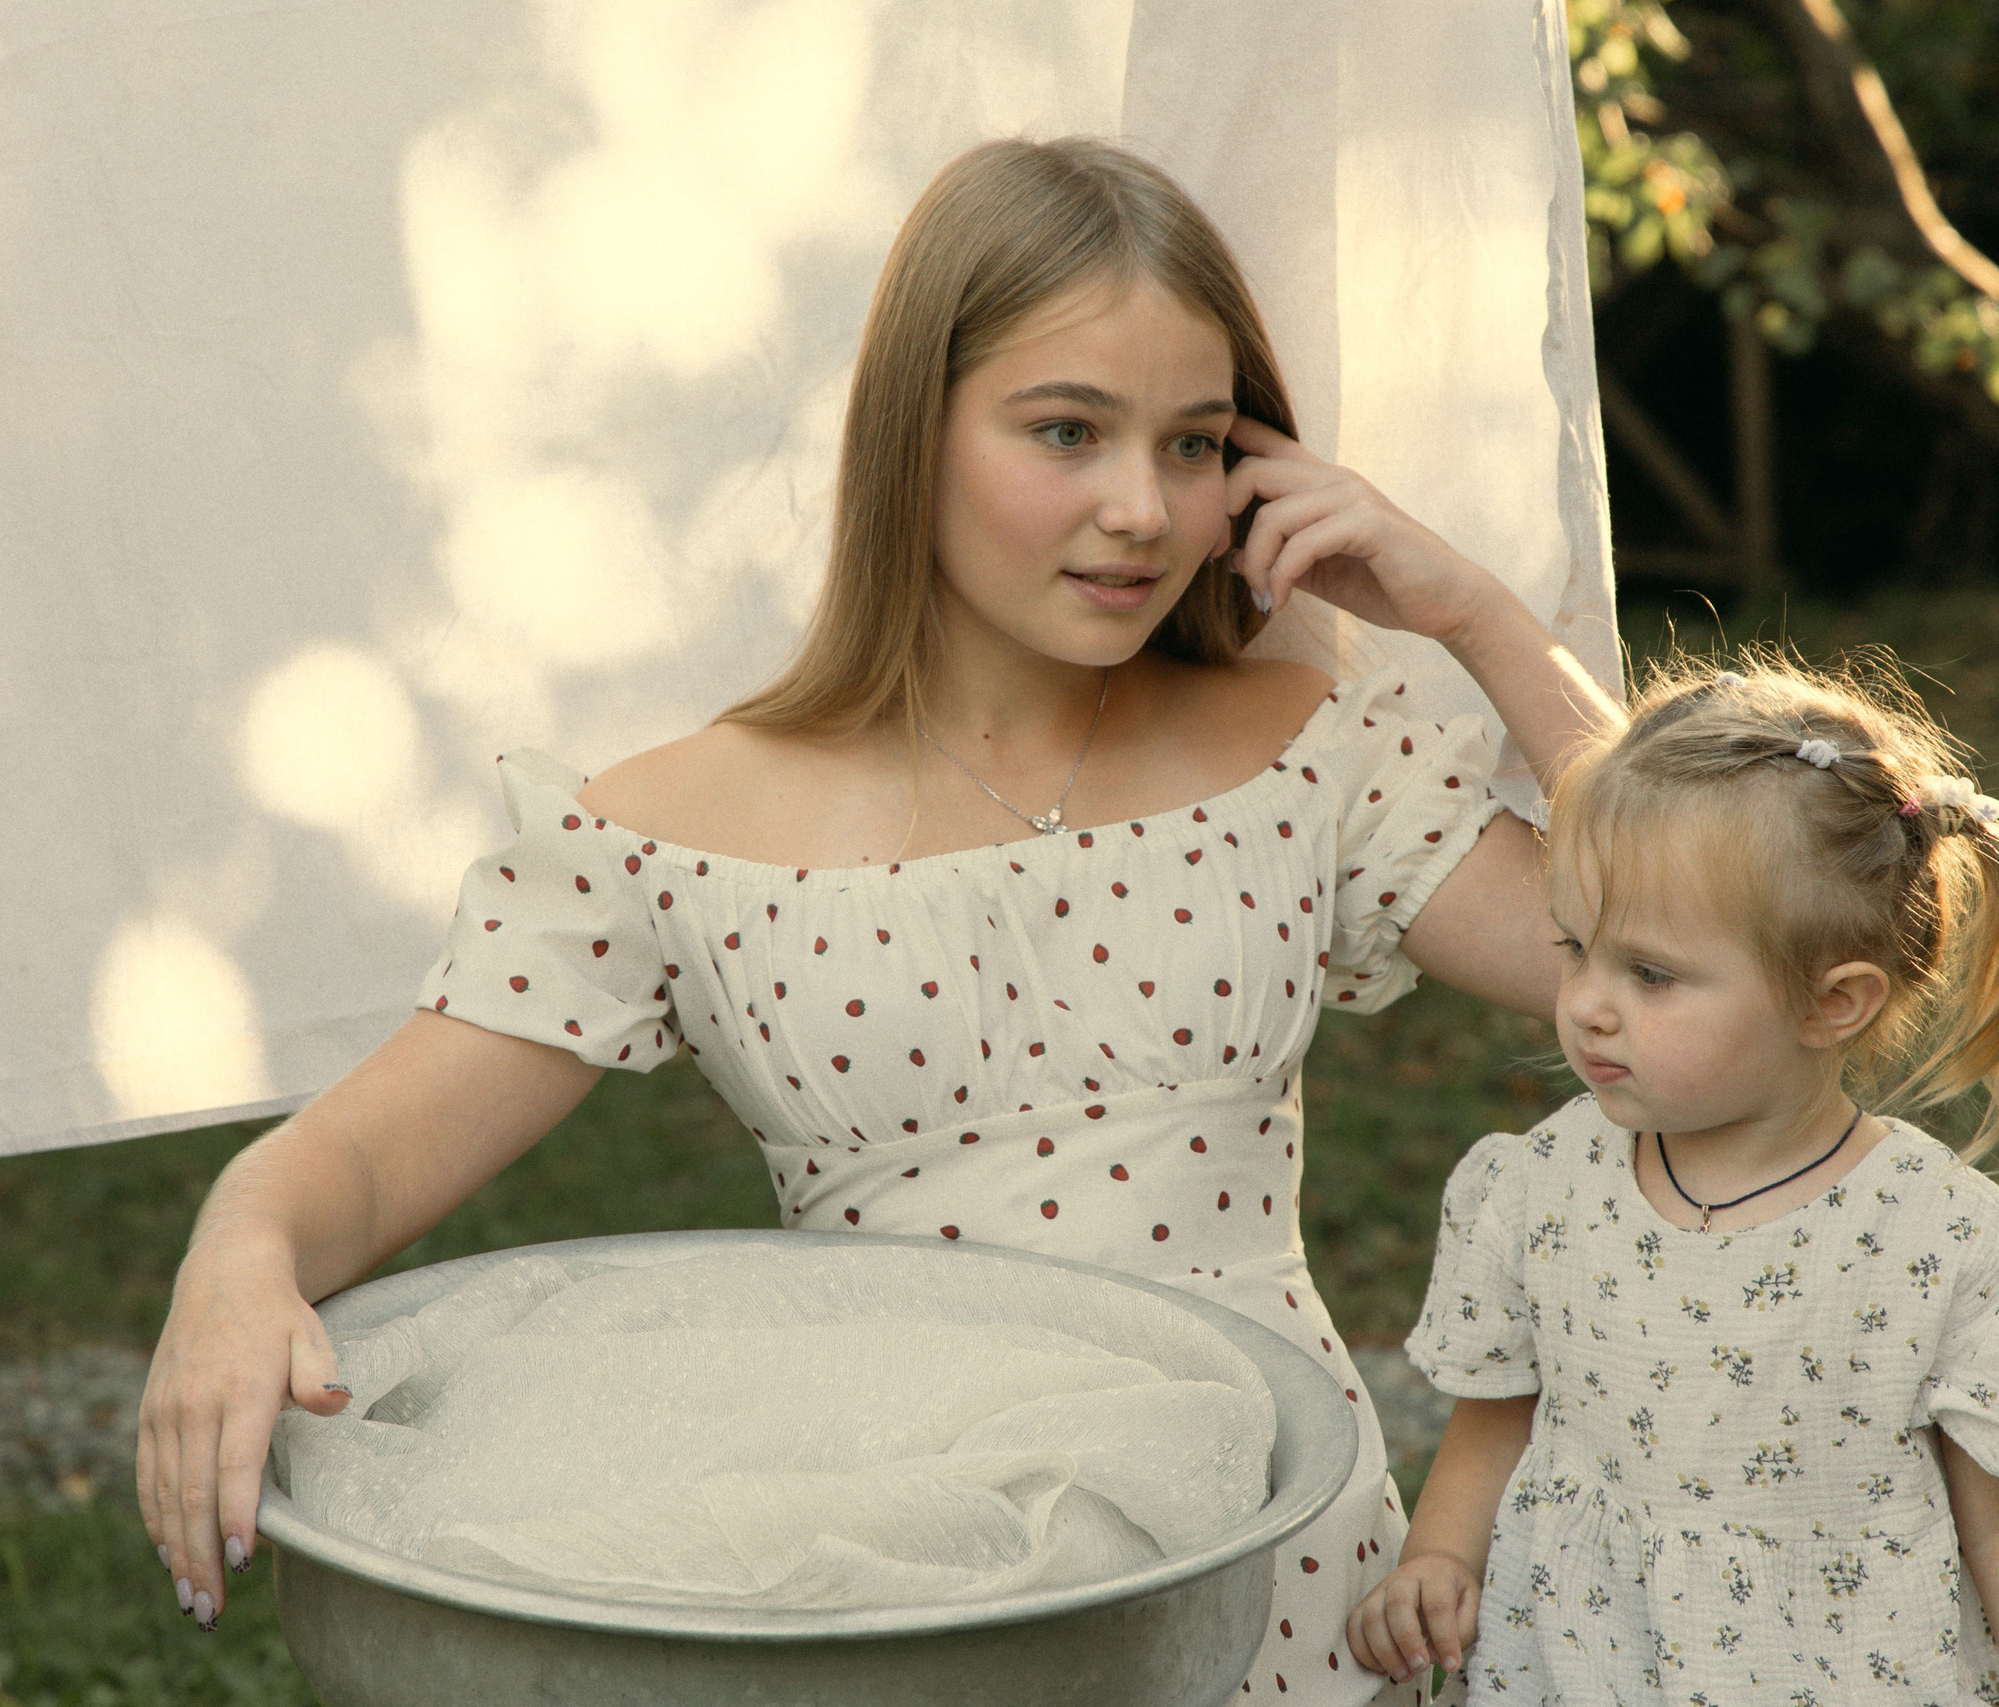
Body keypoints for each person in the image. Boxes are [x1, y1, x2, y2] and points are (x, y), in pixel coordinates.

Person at [140, 135, 1616, 1699]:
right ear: (913, 432)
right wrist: (237, 1249)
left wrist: (1475, 612)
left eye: (1193, 445)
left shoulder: (1304, 745)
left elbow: (1696, 942)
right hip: (915, 1563)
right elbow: (367, 1153)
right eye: (1067, 431)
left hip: (1261, 1546)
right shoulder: (673, 830)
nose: (1140, 507)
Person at [1347, 657, 1999, 1705]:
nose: (1585, 1003)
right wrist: (1442, 1554)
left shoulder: (1940, 1249)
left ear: (1831, 1004)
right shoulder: (1543, 1187)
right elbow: (1503, 1409)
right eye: (1577, 949)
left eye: (1650, 974)